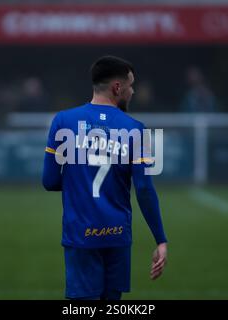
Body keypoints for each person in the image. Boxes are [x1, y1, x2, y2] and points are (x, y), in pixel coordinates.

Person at [42, 55, 168, 300]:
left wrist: (77, 182)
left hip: (80, 234)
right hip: (117, 235)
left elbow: (49, 182)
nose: (132, 92)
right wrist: (160, 240)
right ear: (117, 87)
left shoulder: (63, 121)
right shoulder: (135, 129)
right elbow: (144, 189)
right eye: (131, 86)